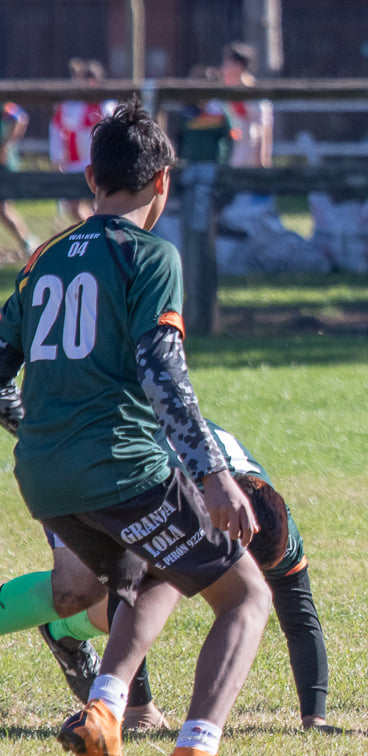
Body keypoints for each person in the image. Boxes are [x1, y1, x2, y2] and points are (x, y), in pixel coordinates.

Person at [0, 97, 271, 756]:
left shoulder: (43, 259)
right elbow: (162, 369)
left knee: (148, 573)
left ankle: (105, 710)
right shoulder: (150, 255)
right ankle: (198, 743)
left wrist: (33, 425)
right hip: (122, 465)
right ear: (163, 183)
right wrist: (212, 475)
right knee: (245, 598)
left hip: (44, 478)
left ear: (91, 181)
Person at [0, 419, 334, 732]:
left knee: (108, 602)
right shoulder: (173, 503)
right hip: (95, 464)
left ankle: (64, 634)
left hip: (135, 468)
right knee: (76, 590)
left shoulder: (277, 530)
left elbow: (300, 618)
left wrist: (314, 717)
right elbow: (129, 585)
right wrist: (138, 710)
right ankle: (70, 638)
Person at [49, 58, 114, 224]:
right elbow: (57, 129)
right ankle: (93, 230)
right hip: (74, 165)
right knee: (73, 207)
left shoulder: (107, 106)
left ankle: (99, 233)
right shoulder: (68, 106)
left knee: (101, 205)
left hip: (100, 165)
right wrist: (56, 159)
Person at [218, 42, 272, 169]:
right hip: (235, 153)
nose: (223, 69)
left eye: (227, 65)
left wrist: (262, 160)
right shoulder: (229, 93)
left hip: (249, 155)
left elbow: (262, 129)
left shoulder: (253, 94)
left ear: (239, 66)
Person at [0, 101, 35, 256]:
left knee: (3, 208)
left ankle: (27, 242)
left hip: (4, 163)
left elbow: (20, 117)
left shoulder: (4, 106)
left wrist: (5, 144)